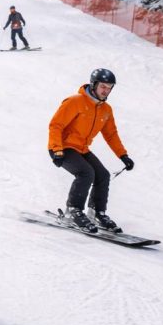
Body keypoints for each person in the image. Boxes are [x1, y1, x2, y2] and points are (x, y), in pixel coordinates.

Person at [48, 68, 134, 234]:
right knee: (86, 172)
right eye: (103, 86)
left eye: (109, 87)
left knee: (102, 175)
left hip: (82, 148)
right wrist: (56, 150)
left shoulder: (106, 109)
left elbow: (111, 135)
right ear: (94, 85)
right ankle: (73, 211)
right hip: (64, 147)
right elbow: (55, 125)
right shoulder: (75, 101)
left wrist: (123, 155)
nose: (106, 91)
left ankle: (96, 213)